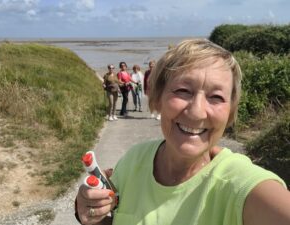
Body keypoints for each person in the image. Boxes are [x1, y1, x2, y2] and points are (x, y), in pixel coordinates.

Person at [76, 39, 290, 225]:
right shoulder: (134, 159)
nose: (197, 113)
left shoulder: (239, 183)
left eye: (216, 97)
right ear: (158, 98)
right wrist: (89, 210)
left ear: (230, 112)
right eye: (183, 91)